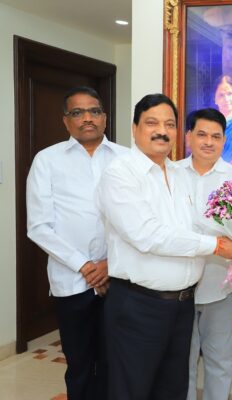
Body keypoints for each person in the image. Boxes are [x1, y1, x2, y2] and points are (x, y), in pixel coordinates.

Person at [96, 94, 232, 400]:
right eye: (152, 123)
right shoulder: (120, 173)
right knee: (133, 389)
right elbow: (147, 235)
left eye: (169, 124)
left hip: (181, 305)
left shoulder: (178, 175)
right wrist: (218, 246)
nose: (161, 131)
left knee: (173, 389)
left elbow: (193, 227)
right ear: (135, 128)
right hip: (140, 304)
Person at [26, 86, 128, 400]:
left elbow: (137, 222)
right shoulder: (47, 160)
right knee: (80, 364)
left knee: (116, 362)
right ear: (66, 120)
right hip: (71, 280)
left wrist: (109, 264)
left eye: (94, 111)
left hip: (119, 278)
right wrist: (85, 266)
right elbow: (39, 226)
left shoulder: (127, 159)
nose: (87, 118)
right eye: (77, 112)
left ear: (105, 117)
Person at [177, 108, 232, 400]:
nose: (208, 142)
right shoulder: (171, 175)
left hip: (221, 286)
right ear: (188, 137)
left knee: (220, 360)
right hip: (178, 287)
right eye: (201, 134)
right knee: (181, 362)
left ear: (224, 140)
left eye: (216, 136)